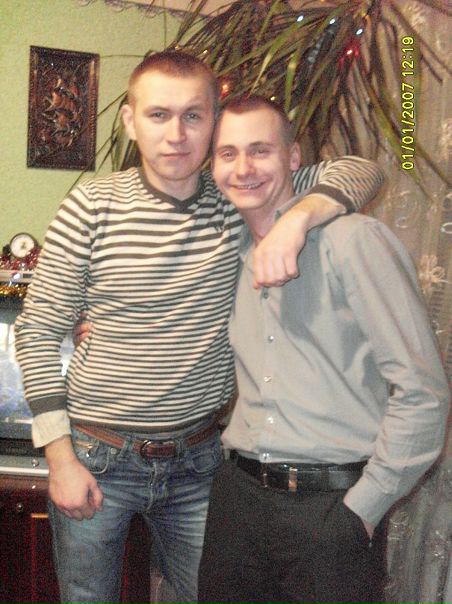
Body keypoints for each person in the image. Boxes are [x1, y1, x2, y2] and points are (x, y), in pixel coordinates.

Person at [14, 51, 384, 604]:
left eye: (193, 115)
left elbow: (362, 170)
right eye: (158, 115)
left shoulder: (239, 196)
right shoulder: (92, 206)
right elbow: (38, 331)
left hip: (199, 460)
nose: (176, 135)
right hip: (97, 455)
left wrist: (296, 224)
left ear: (215, 121)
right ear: (130, 121)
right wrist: (59, 458)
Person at [197, 95, 450, 604]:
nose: (243, 168)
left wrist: (362, 509)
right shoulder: (228, 251)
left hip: (331, 510)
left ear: (294, 158)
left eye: (260, 150)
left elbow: (423, 392)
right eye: (228, 153)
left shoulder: (354, 242)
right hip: (237, 505)